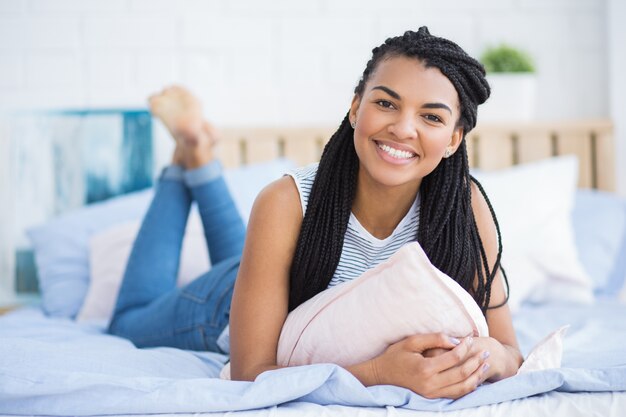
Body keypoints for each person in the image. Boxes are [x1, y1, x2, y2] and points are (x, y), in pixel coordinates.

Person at [108, 26, 523, 400]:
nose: (403, 128)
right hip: (225, 307)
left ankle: (199, 158)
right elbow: (249, 371)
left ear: (454, 139)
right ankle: (190, 154)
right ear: (356, 107)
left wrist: (489, 356)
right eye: (386, 103)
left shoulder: (465, 209)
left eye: (431, 116)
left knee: (246, 252)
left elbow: (511, 354)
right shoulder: (284, 202)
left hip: (277, 274)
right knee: (127, 322)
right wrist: (378, 373)